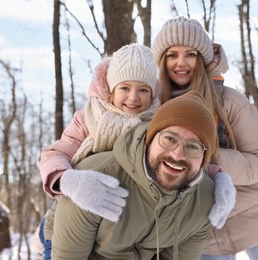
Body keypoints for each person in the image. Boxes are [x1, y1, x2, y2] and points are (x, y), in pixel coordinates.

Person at [151, 16, 258, 259]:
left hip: (257, 216)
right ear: (162, 61)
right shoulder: (155, 108)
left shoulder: (229, 102)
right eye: (172, 55)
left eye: (190, 54)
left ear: (202, 58)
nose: (181, 63)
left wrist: (204, 158)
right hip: (202, 228)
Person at [51, 91, 224, 259]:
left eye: (193, 147)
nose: (178, 155)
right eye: (169, 139)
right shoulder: (94, 180)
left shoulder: (206, 201)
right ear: (150, 139)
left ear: (203, 158)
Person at [37, 43, 159, 258]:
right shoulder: (89, 117)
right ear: (111, 90)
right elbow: (54, 154)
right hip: (66, 222)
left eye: (143, 89)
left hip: (116, 230)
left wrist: (217, 177)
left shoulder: (158, 124)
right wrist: (70, 181)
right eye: (125, 88)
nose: (133, 97)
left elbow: (180, 157)